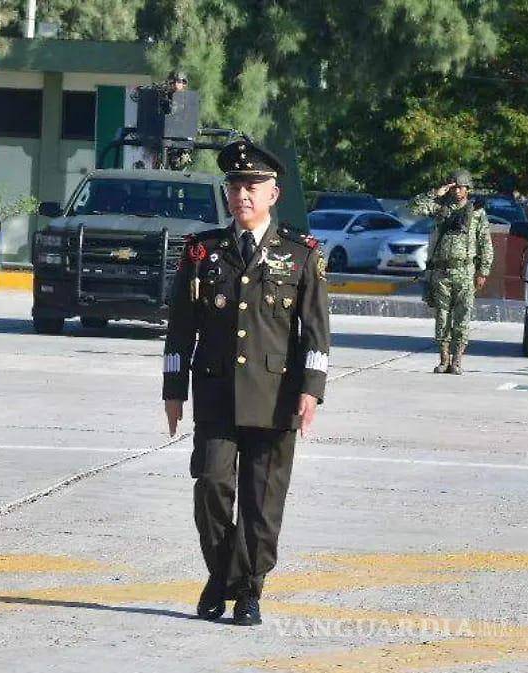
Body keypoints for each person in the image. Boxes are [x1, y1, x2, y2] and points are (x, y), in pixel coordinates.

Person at [162, 138, 330, 627]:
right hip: (215, 395)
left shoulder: (301, 255)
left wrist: (311, 389)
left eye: (254, 185)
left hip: (276, 399)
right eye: (236, 185)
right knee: (211, 486)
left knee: (261, 504)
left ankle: (249, 591)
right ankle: (222, 576)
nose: (243, 194)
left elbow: (316, 332)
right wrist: (174, 391)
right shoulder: (202, 252)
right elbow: (180, 328)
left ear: (273, 194)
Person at [409, 170, 493, 375]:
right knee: (442, 317)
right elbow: (413, 207)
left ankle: (457, 361)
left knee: (462, 317)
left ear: (468, 189)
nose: (457, 190)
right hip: (442, 271)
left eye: (461, 187)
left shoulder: (476, 212)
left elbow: (485, 243)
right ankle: (444, 359)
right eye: (454, 186)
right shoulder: (440, 208)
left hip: (465, 270)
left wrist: (483, 271)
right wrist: (435, 193)